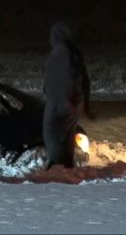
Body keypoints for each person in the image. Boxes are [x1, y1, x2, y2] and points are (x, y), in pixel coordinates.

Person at [43, 22, 94, 169]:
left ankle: (56, 164)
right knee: (66, 134)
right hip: (69, 101)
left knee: (52, 132)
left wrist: (65, 101)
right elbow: (84, 80)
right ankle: (66, 163)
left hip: (62, 101)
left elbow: (65, 79)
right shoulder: (72, 52)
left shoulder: (62, 52)